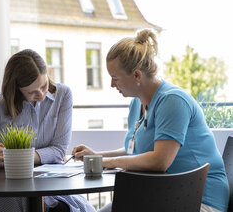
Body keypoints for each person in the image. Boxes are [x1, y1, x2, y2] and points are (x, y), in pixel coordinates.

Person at [72, 29, 229, 212]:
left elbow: (159, 160)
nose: (112, 85)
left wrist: (109, 162)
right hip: (163, 196)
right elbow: (137, 149)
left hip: (199, 201)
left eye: (115, 79)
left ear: (137, 76)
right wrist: (98, 156)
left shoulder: (173, 101)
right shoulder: (136, 104)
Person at [0, 49, 95, 212]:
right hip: (2, 186)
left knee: (68, 208)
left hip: (47, 184)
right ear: (16, 89)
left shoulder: (62, 95)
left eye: (44, 86)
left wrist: (15, 158)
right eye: (32, 92)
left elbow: (59, 149)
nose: (42, 95)